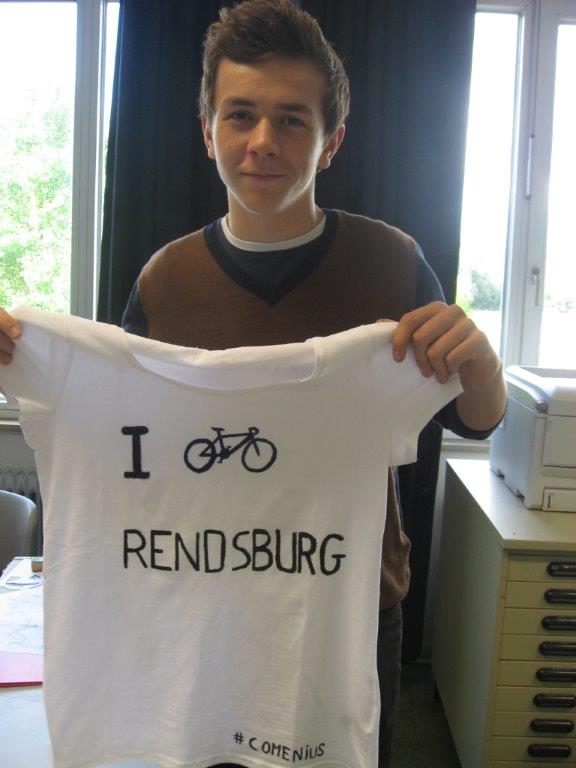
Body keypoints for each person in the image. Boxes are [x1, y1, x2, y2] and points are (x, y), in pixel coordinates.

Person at [0, 0, 507, 764]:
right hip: (201, 600)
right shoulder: (165, 278)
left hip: (348, 609)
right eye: (240, 115)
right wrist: (20, 360)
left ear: (331, 141)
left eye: (292, 120)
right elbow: (127, 437)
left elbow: (477, 420)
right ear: (209, 132)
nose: (263, 141)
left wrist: (481, 364)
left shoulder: (393, 261)